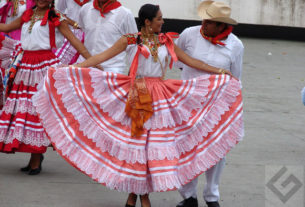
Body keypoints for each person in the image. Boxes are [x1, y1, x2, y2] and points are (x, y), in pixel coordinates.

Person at [33, 4, 244, 207]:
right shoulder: (131, 40)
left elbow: (190, 61)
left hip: (160, 97)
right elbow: (101, 57)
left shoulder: (165, 41)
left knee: (149, 149)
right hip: (138, 93)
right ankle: (140, 197)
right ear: (147, 21)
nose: (163, 21)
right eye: (159, 18)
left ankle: (136, 197)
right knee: (137, 147)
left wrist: (218, 72)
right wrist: (75, 68)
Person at [0, 0, 92, 175]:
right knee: (24, 111)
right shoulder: (28, 15)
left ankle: (36, 159)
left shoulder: (56, 17)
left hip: (43, 66)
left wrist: (93, 62)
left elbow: (74, 41)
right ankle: (34, 157)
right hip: (25, 65)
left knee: (38, 112)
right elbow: (6, 28)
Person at [175, 1, 244, 207]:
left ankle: (212, 196)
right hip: (189, 104)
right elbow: (179, 62)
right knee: (186, 148)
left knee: (217, 151)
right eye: (204, 18)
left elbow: (236, 78)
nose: (204, 23)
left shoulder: (236, 45)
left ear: (222, 25)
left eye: (210, 21)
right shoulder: (188, 34)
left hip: (217, 106)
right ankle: (188, 196)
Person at [76, 0, 137, 74]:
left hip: (112, 68)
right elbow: (82, 32)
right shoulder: (85, 9)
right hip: (85, 65)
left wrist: (133, 74)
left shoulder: (125, 14)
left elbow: (133, 45)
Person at [55, 0, 92, 65]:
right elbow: (58, 12)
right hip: (70, 34)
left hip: (90, 35)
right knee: (59, 64)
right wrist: (75, 24)